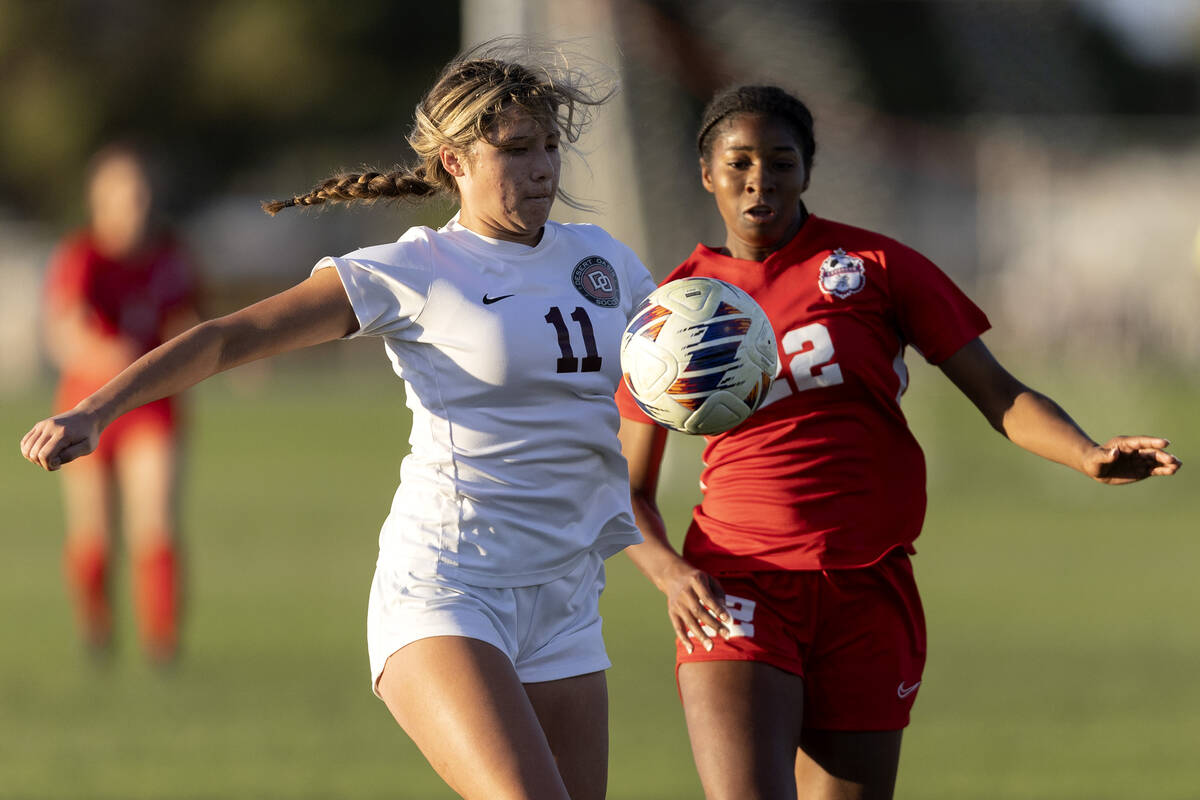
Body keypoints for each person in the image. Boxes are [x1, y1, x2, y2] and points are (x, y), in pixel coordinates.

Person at [23, 44, 658, 800]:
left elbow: (678, 372)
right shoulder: (417, 267)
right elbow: (234, 335)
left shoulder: (605, 261)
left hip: (566, 598)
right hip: (450, 592)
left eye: (550, 146)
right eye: (516, 150)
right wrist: (98, 406)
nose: (543, 167)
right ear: (454, 163)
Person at [615, 85, 1182, 800]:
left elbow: (999, 393)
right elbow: (624, 486)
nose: (760, 179)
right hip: (737, 588)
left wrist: (1086, 452)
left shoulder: (874, 267)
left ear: (807, 172)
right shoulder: (676, 312)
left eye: (781, 162)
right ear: (707, 173)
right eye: (740, 162)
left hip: (868, 588)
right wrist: (670, 573)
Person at [41, 142, 200, 663]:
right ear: (98, 201)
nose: (135, 204)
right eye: (123, 195)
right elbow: (64, 331)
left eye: (141, 193)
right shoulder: (81, 257)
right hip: (84, 407)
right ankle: (97, 630)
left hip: (151, 407)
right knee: (94, 531)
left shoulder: (171, 254)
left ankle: (162, 642)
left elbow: (192, 324)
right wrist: (111, 354)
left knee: (154, 520)